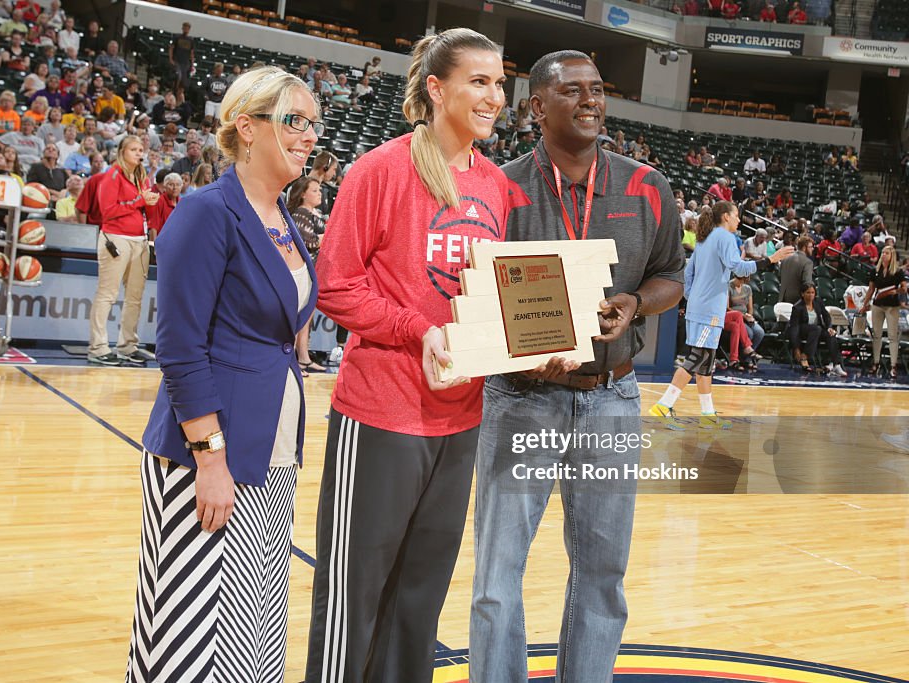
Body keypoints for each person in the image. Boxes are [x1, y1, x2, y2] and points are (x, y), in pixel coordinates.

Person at [304, 28, 513, 683]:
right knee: (354, 595)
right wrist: (414, 330)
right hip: (382, 412)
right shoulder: (379, 170)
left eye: (500, 82)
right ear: (436, 87)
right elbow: (334, 285)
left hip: (462, 419)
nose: (494, 95)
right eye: (478, 81)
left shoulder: (498, 186)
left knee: (419, 601)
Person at [469, 50, 684, 683]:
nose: (590, 100)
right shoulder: (496, 186)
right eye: (572, 91)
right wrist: (513, 345)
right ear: (537, 106)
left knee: (603, 573)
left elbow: (670, 277)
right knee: (497, 575)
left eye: (596, 89)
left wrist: (635, 302)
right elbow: (470, 289)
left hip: (611, 398)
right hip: (520, 396)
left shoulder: (647, 185)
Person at [127, 65, 320, 682]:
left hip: (271, 449)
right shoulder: (207, 212)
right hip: (210, 456)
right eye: (295, 121)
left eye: (314, 125)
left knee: (250, 628)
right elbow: (181, 349)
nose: (308, 136)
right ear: (247, 125)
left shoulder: (285, 219)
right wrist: (210, 458)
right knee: (186, 631)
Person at [650, 201, 793, 430]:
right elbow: (738, 268)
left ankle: (707, 413)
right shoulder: (724, 238)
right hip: (709, 310)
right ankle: (663, 406)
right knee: (697, 357)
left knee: (706, 361)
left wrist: (693, 297)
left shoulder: (705, 240)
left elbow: (688, 274)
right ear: (726, 216)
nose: (738, 220)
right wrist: (771, 260)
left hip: (701, 306)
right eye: (736, 216)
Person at [87, 135, 159, 366]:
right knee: (107, 294)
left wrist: (150, 202)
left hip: (140, 240)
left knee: (134, 298)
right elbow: (107, 211)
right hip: (115, 238)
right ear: (122, 151)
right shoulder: (112, 176)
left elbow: (144, 206)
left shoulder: (142, 177)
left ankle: (128, 346)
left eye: (141, 149)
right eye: (134, 150)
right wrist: (140, 201)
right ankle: (98, 347)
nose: (140, 154)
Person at [285, 175, 327, 377]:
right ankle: (291, 360)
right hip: (303, 270)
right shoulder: (301, 212)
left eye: (319, 190)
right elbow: (308, 241)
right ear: (302, 194)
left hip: (314, 271)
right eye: (314, 190)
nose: (319, 194)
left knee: (306, 319)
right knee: (298, 316)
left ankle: (303, 358)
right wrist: (330, 235)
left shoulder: (314, 213)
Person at [860, 245, 905, 378]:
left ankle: (893, 365)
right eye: (883, 253)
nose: (883, 255)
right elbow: (871, 289)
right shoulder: (876, 270)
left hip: (892, 306)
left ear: (892, 256)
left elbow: (904, 288)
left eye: (886, 253)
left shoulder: (898, 272)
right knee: (877, 335)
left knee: (892, 336)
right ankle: (876, 362)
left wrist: (895, 291)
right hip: (877, 305)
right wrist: (865, 304)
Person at [789, 283, 845, 374]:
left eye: (812, 292)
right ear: (802, 294)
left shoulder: (818, 302)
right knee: (816, 329)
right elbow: (794, 327)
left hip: (816, 330)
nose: (811, 295)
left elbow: (826, 316)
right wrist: (796, 348)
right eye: (808, 293)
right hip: (802, 330)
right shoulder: (797, 307)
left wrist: (829, 328)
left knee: (831, 335)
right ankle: (806, 355)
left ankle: (836, 364)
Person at [143, 170, 182, 238]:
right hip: (163, 240)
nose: (175, 188)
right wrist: (153, 246)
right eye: (171, 184)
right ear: (165, 186)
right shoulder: (159, 201)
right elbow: (153, 227)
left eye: (178, 184)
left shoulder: (182, 202)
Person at [778, 235, 814, 303]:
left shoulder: (786, 257)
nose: (812, 249)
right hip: (797, 300)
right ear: (804, 248)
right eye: (810, 247)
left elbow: (780, 275)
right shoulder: (808, 262)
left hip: (782, 297)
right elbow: (807, 283)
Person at [168, 22, 194, 90]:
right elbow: (171, 48)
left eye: (187, 28)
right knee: (178, 76)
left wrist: (192, 64)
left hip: (185, 63)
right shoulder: (177, 37)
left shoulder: (191, 40)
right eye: (185, 28)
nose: (186, 29)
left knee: (183, 81)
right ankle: (174, 90)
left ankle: (179, 94)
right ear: (182, 28)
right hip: (177, 60)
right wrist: (171, 59)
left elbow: (191, 52)